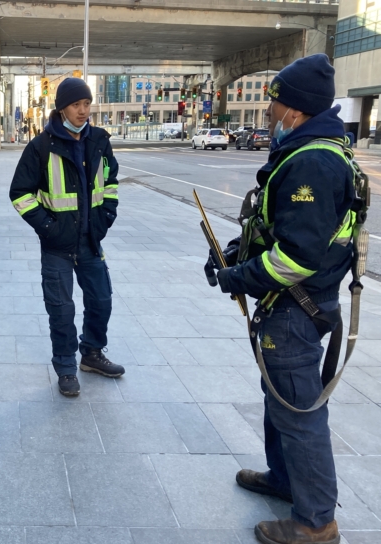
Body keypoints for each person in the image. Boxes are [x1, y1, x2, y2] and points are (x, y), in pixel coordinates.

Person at [209, 54, 354, 544]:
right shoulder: (313, 150)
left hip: (296, 306)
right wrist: (235, 253)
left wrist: (240, 278)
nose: (269, 111)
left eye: (274, 101)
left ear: (296, 108)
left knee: (297, 412)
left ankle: (316, 522)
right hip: (295, 304)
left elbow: (295, 257)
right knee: (280, 399)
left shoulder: (312, 162)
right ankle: (285, 479)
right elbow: (281, 230)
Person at [9, 78, 123, 397]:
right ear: (62, 109)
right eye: (77, 105)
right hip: (57, 246)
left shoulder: (99, 140)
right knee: (61, 310)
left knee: (101, 299)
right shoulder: (42, 146)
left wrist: (105, 217)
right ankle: (66, 367)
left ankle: (91, 354)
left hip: (90, 242)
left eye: (87, 104)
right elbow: (19, 193)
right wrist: (49, 228)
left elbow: (111, 181)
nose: (84, 111)